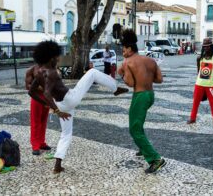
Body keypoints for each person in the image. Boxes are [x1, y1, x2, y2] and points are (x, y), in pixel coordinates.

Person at [28, 40, 128, 173]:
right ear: (51, 57)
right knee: (92, 73)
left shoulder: (40, 72)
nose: (58, 59)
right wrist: (57, 111)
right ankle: (115, 88)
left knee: (66, 134)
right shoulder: (51, 72)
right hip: (70, 99)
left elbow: (31, 91)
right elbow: (46, 93)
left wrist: (48, 105)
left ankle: (58, 164)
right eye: (57, 57)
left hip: (62, 104)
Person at [117, 30, 166, 174]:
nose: (122, 51)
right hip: (150, 95)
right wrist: (145, 76)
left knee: (134, 129)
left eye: (123, 49)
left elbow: (130, 83)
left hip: (139, 95)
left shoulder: (128, 62)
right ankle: (141, 148)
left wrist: (123, 74)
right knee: (138, 123)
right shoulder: (150, 60)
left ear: (130, 49)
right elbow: (159, 79)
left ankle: (155, 159)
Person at [187, 37, 213, 127]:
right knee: (195, 102)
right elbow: (198, 71)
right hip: (199, 84)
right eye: (204, 46)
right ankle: (192, 118)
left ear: (211, 46)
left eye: (208, 46)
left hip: (211, 85)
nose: (206, 48)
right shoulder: (199, 58)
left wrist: (210, 77)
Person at [25, 65, 51, 155]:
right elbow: (27, 86)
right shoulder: (31, 69)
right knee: (35, 121)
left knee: (43, 121)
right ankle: (35, 145)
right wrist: (39, 87)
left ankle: (41, 142)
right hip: (36, 96)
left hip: (47, 96)